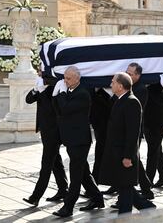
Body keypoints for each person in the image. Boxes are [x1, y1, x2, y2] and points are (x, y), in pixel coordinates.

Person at [52, 66, 104, 217]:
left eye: (68, 78)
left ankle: (68, 207)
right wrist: (57, 95)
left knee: (75, 175)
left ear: (77, 78)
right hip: (71, 139)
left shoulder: (82, 94)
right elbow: (59, 111)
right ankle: (97, 199)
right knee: (84, 173)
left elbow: (66, 109)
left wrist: (60, 94)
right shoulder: (69, 91)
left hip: (80, 141)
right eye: (64, 78)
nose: (65, 81)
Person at [99, 72, 151, 214]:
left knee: (125, 187)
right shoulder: (120, 99)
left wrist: (128, 156)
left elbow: (133, 133)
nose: (111, 84)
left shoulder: (131, 102)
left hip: (124, 153)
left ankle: (125, 216)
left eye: (113, 82)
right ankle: (145, 206)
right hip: (117, 151)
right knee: (123, 184)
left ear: (120, 86)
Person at [22, 73, 68, 207]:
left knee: (46, 163)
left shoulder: (55, 87)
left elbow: (51, 109)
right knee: (55, 161)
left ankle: (36, 196)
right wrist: (36, 90)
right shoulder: (41, 86)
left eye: (41, 71)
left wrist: (42, 91)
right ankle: (63, 189)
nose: (39, 73)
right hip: (45, 130)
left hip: (54, 131)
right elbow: (28, 99)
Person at [126, 63, 154, 199]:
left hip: (134, 130)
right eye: (127, 72)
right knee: (134, 160)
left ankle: (138, 192)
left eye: (130, 74)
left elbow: (135, 110)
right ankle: (146, 189)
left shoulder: (141, 89)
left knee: (132, 160)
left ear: (138, 75)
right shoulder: (129, 87)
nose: (128, 75)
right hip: (125, 130)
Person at [144, 83, 163, 188]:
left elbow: (162, 101)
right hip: (149, 121)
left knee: (153, 151)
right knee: (157, 150)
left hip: (157, 122)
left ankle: (148, 181)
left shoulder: (157, 86)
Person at [90, 88, 113, 183]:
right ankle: (96, 180)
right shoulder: (94, 92)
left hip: (108, 128)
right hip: (99, 128)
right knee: (100, 155)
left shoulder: (108, 94)